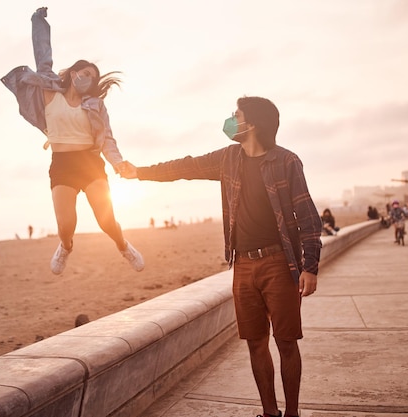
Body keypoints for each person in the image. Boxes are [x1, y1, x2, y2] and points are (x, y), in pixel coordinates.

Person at [122, 96, 322, 417]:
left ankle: (292, 414)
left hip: (279, 265)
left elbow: (308, 216)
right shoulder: (228, 159)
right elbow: (185, 167)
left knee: (286, 342)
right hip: (242, 265)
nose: (230, 120)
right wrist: (139, 173)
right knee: (255, 342)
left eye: (236, 115)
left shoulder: (287, 162)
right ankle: (270, 413)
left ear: (252, 123)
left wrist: (309, 267)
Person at [1, 7, 143, 274]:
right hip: (62, 163)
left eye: (91, 77)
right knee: (66, 225)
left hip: (89, 163)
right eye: (83, 72)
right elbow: (43, 53)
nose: (85, 77)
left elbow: (108, 139)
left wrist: (118, 163)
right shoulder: (48, 91)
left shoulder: (95, 105)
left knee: (106, 219)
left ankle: (123, 245)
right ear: (74, 72)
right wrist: (38, 21)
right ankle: (65, 246)